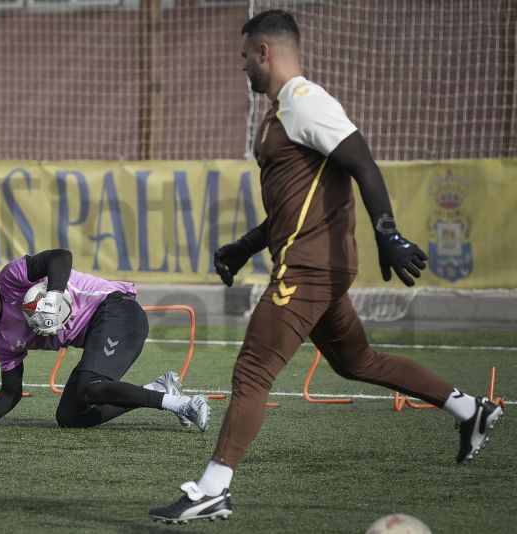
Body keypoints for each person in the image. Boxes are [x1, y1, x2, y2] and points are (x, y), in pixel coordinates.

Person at [149, 9, 503, 524]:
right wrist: (246, 245)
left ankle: (212, 489)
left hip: (308, 270)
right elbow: (293, 206)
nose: (242, 65)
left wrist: (388, 234)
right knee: (357, 362)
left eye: (245, 55)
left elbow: (363, 162)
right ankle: (470, 409)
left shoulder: (304, 101)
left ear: (264, 52)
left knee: (252, 370)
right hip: (313, 267)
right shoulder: (280, 112)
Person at [0, 248, 210, 431]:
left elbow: (60, 257)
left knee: (89, 386)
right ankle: (159, 389)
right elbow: (11, 391)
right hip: (98, 333)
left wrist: (54, 295)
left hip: (117, 310)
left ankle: (185, 404)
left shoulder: (12, 276)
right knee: (68, 416)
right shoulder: (2, 336)